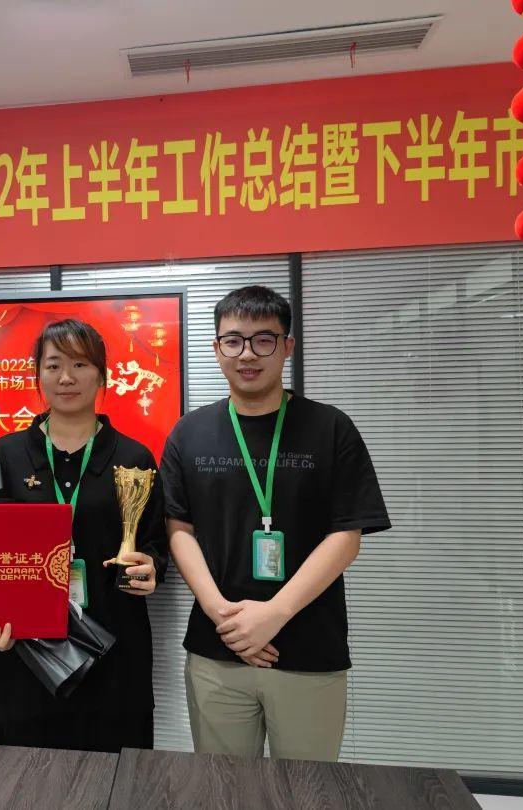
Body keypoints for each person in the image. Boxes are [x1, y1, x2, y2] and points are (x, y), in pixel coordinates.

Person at [161, 285, 390, 762]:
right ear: (216, 349)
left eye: (264, 340)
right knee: (222, 790)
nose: (247, 354)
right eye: (233, 341)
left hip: (308, 650)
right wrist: (224, 616)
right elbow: (179, 530)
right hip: (217, 650)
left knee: (306, 790)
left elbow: (346, 536)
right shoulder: (189, 432)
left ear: (288, 346)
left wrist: (274, 614)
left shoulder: (330, 428)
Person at [0, 318, 168, 752]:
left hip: (115, 650)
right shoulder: (7, 454)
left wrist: (151, 566)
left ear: (102, 375)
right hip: (29, 653)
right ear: (38, 375)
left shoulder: (134, 457)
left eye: (80, 364)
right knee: (29, 772)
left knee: (117, 771)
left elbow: (155, 541)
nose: (66, 377)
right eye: (53, 366)